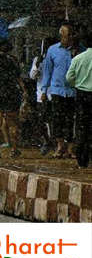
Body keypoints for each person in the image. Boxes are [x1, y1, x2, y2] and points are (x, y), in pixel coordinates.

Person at [41, 22, 83, 158]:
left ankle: (71, 147)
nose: (68, 38)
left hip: (73, 91)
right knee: (57, 119)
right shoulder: (52, 50)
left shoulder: (80, 50)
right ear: (61, 35)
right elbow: (47, 71)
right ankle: (60, 146)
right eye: (66, 35)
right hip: (57, 90)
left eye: (71, 35)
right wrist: (44, 90)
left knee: (71, 120)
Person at [66, 46, 92, 168]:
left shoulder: (78, 58)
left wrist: (77, 84)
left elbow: (69, 78)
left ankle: (82, 160)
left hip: (82, 96)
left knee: (82, 127)